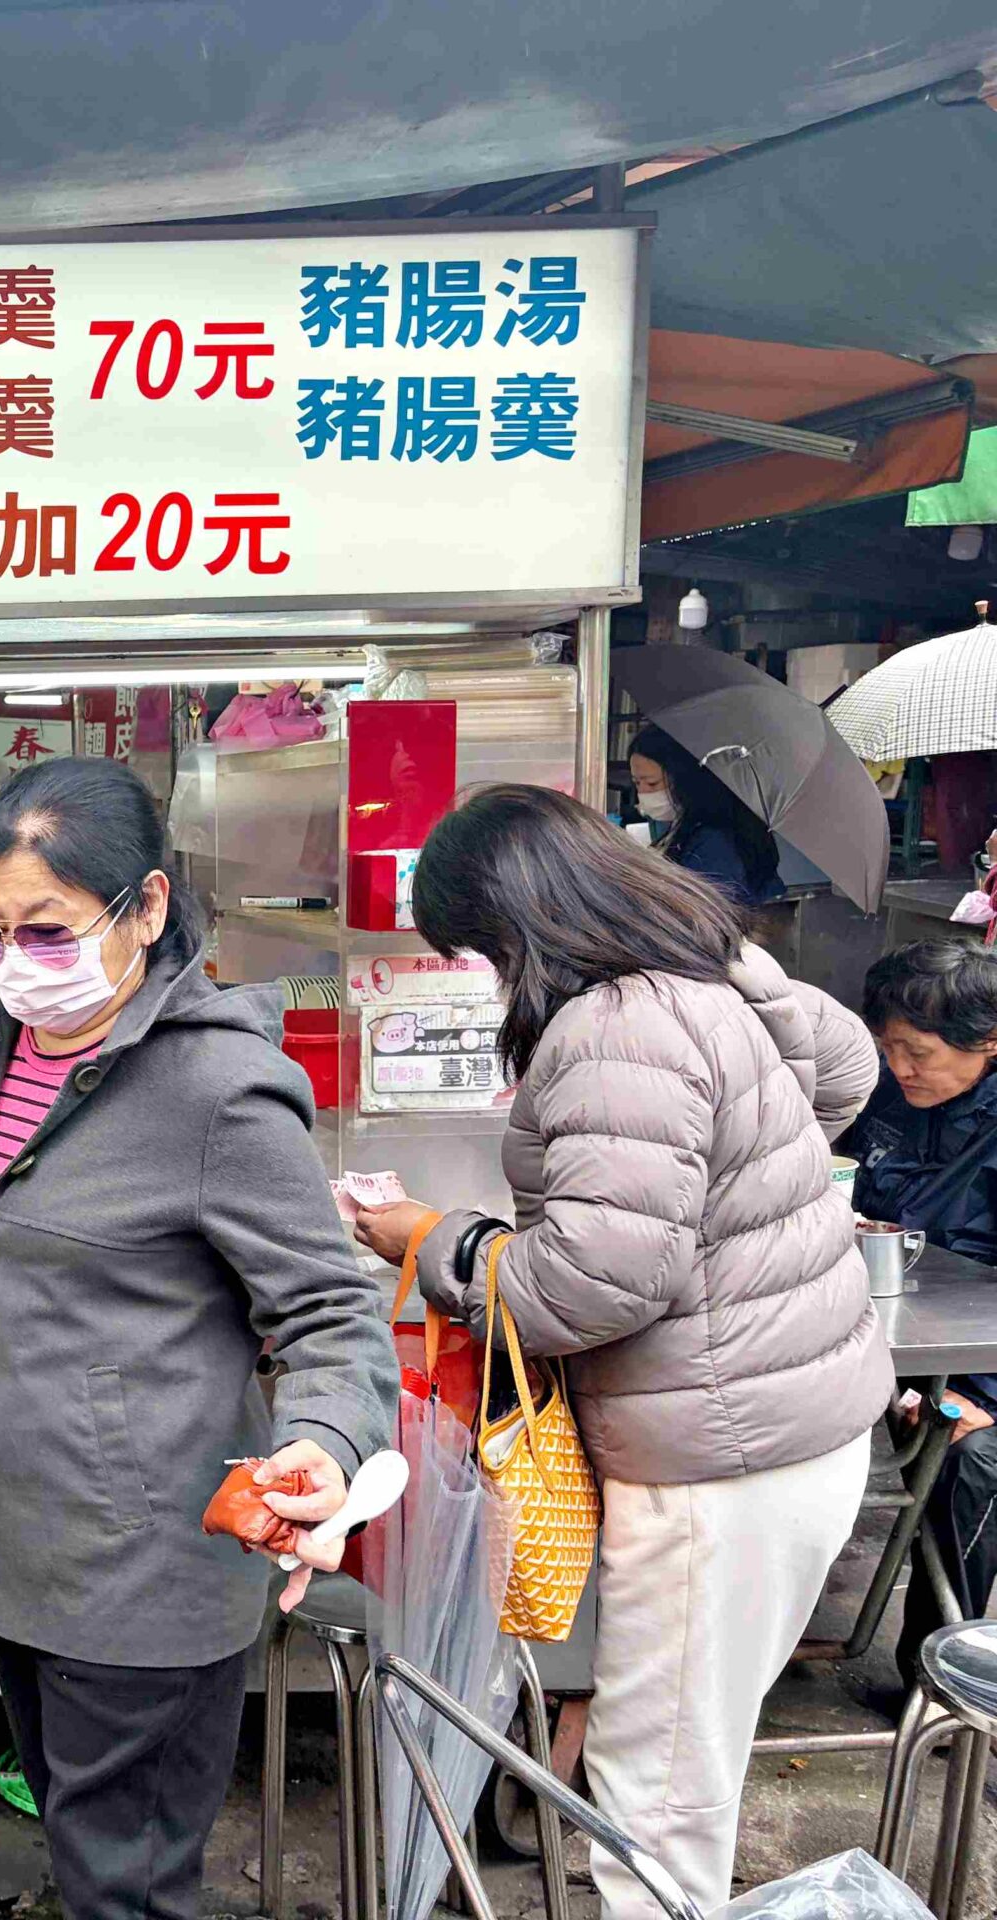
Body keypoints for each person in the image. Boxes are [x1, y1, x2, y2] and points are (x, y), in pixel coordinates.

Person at [0, 755, 394, 1920]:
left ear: (146, 907)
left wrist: (324, 1443)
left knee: (127, 1885)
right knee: (81, 1848)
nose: (14, 962)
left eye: (48, 932)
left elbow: (329, 1313)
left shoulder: (216, 1087)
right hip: (17, 1542)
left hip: (142, 1568)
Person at [348, 786, 888, 1920]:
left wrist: (430, 1239)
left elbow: (595, 1284)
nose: (486, 977)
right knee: (685, 1760)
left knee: (657, 1803)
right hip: (791, 1430)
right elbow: (841, 1073)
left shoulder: (616, 1023)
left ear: (514, 922)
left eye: (476, 950)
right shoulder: (707, 969)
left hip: (716, 1461)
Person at [844, 942, 997, 1679]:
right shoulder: (884, 1096)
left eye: (918, 1052)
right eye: (888, 1047)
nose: (899, 1067)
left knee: (972, 1463)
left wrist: (983, 1396)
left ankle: (940, 1679)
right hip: (885, 1338)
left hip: (976, 1368)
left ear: (988, 1042)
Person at [627, 725, 783, 906]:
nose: (643, 793)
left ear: (684, 779)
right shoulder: (684, 826)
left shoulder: (714, 843)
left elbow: (702, 912)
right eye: (637, 783)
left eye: (652, 784)